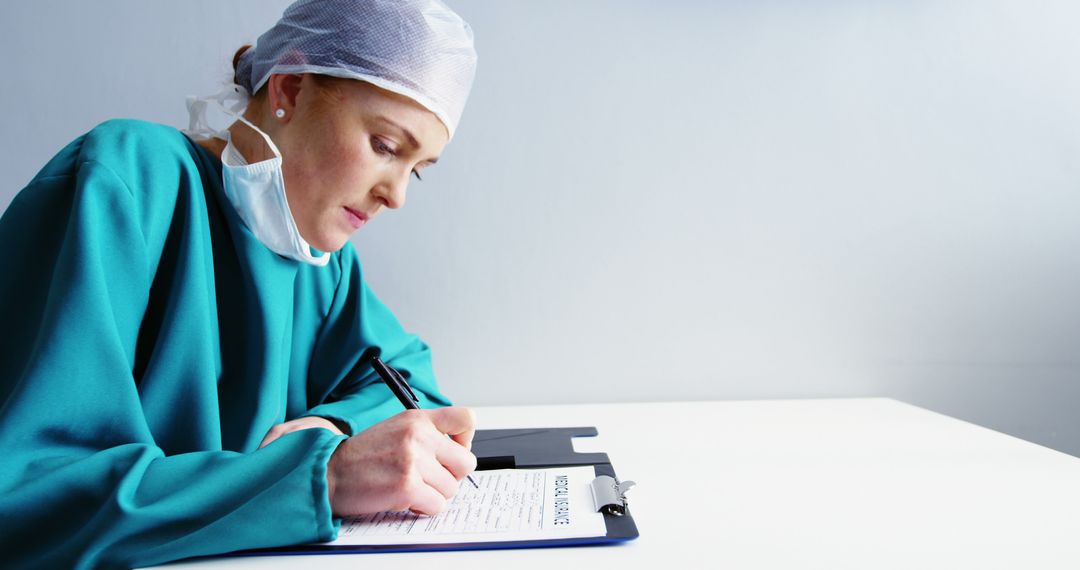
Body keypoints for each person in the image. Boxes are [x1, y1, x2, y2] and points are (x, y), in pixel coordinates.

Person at [0, 0, 479, 567]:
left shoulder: (318, 262)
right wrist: (320, 476)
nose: (395, 195)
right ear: (289, 90)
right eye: (385, 147)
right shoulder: (126, 183)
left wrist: (331, 427)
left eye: (417, 169)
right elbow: (26, 497)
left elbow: (410, 384)